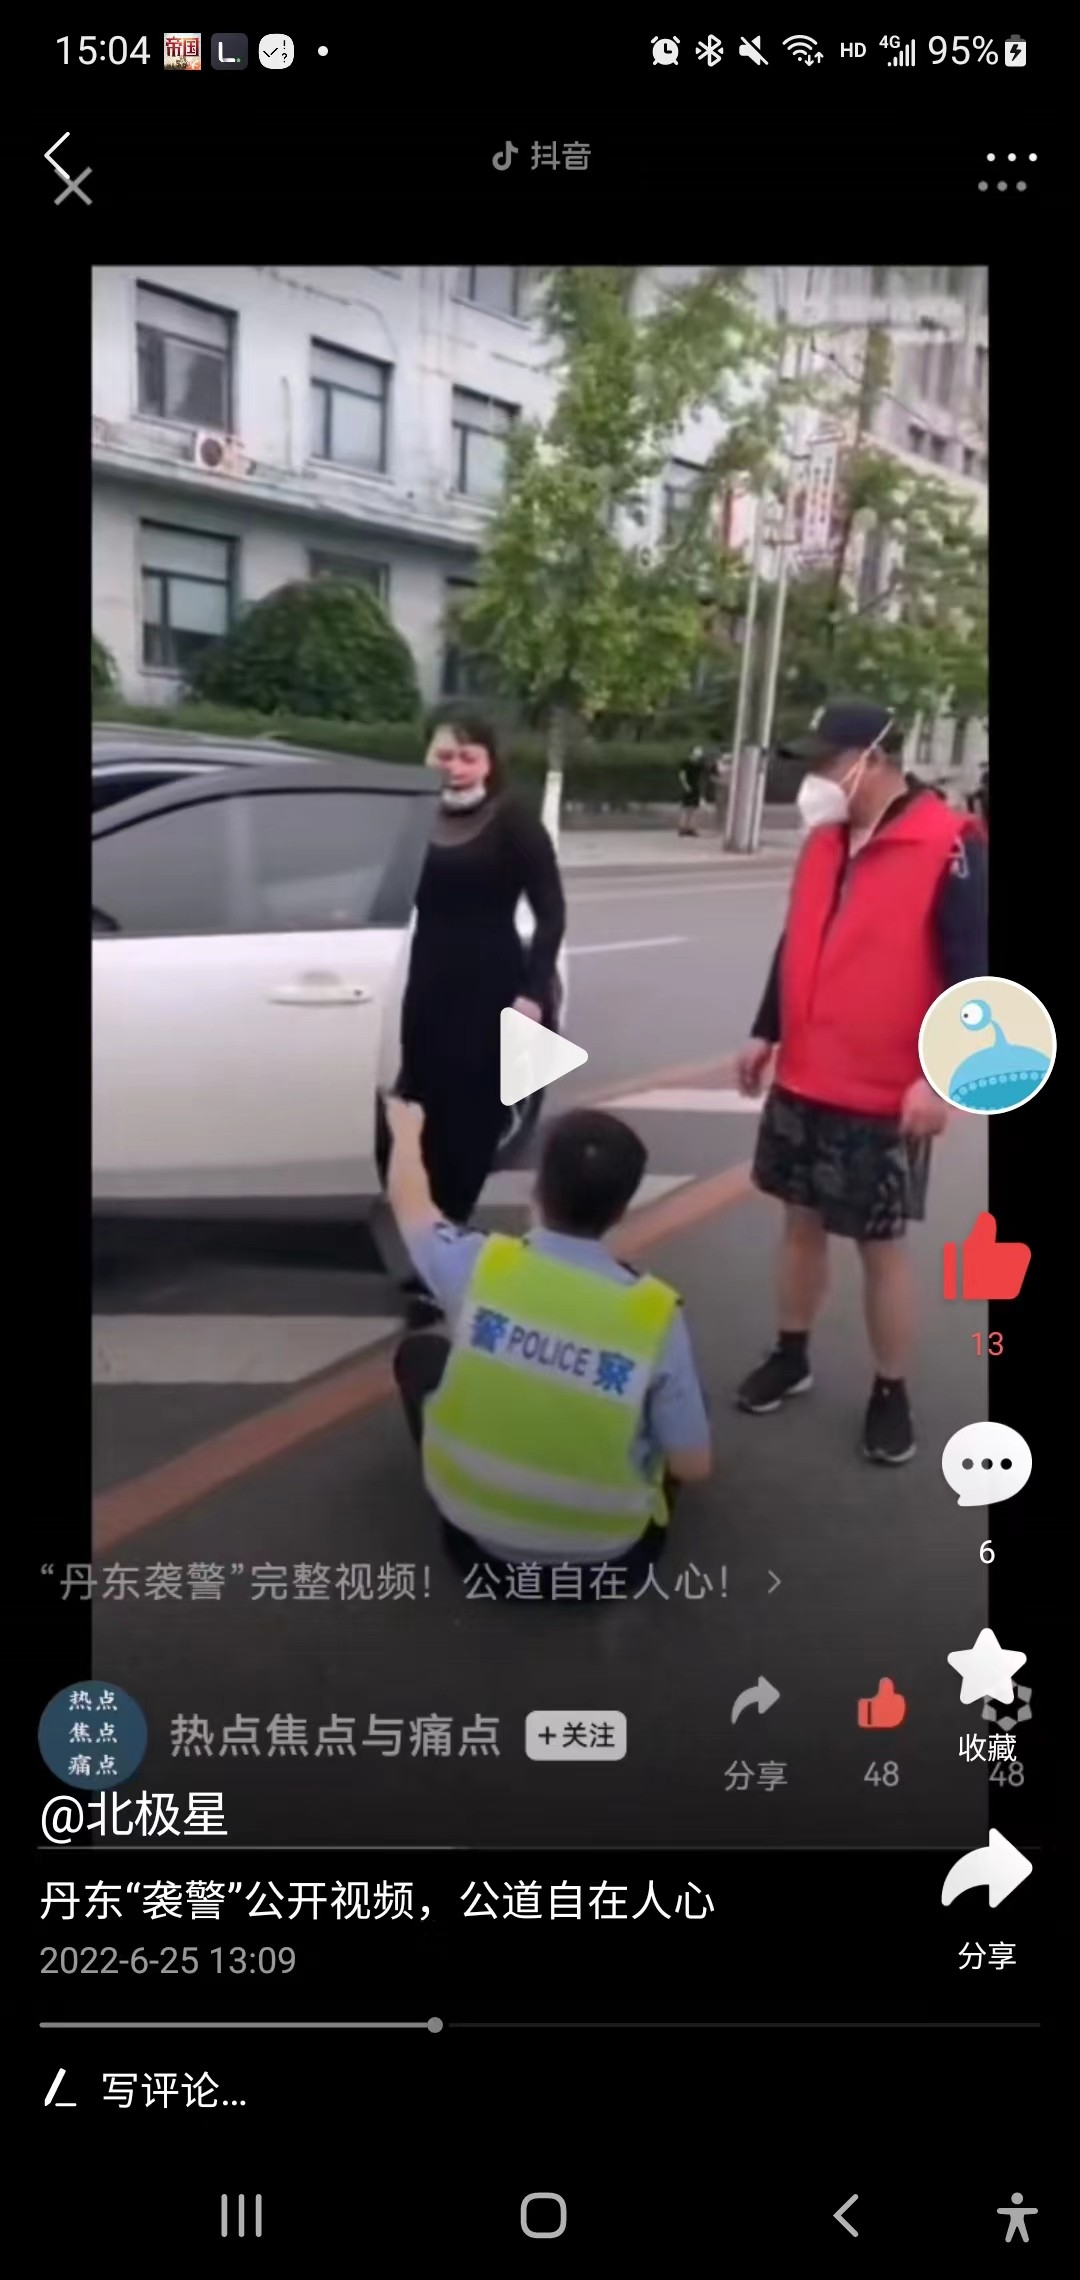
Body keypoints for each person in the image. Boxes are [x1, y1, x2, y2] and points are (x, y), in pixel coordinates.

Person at [733, 699, 988, 1465]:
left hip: (886, 1092)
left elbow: (973, 976)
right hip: (804, 1077)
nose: (814, 778)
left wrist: (940, 1080)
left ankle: (890, 1390)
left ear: (871, 759)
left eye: (825, 762)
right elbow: (797, 938)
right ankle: (791, 1353)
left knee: (881, 1248)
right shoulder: (823, 843)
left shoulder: (950, 843)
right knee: (799, 1224)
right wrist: (765, 1029)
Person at [385, 1097, 712, 1585]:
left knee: (419, 1356)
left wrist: (407, 1129)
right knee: (675, 1397)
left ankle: (474, 1478)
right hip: (609, 1562)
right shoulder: (655, 1314)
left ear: (536, 1188)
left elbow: (410, 1203)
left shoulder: (479, 1264)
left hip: (477, 1551)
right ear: (621, 1210)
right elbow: (693, 1465)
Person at [397, 707, 566, 1246]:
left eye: (467, 757)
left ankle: (449, 1231)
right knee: (424, 1110)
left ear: (489, 763)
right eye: (443, 755)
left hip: (492, 985)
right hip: (428, 982)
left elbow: (551, 913)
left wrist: (534, 992)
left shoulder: (513, 821)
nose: (454, 767)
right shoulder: (413, 817)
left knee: (473, 1118)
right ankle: (433, 1229)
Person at [677, 747, 708, 836]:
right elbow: (682, 775)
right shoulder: (686, 763)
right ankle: (682, 828)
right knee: (686, 808)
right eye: (697, 755)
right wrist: (686, 785)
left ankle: (690, 828)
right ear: (693, 754)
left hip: (695, 788)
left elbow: (704, 774)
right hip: (689, 787)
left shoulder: (699, 765)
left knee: (693, 809)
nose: (698, 757)